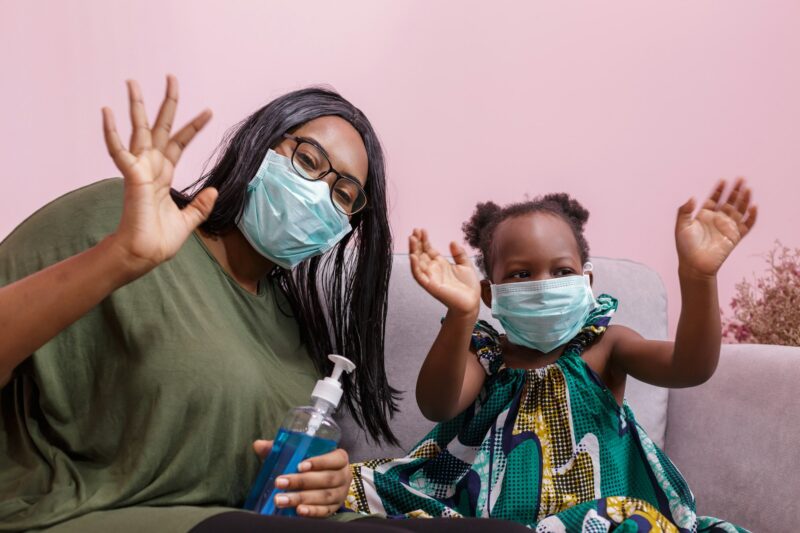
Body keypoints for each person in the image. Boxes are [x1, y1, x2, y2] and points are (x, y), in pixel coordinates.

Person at [0, 76, 401, 531]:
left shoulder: (292, 326)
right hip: (72, 512)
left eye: (343, 195)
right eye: (308, 160)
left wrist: (325, 485)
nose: (319, 194)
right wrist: (119, 258)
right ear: (260, 144)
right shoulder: (118, 218)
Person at [346, 184, 756, 531]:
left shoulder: (606, 346)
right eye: (521, 274)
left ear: (586, 281)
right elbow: (437, 403)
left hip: (599, 517)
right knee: (350, 487)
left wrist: (698, 278)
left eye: (561, 272)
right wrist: (460, 315)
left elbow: (690, 367)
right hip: (490, 516)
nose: (543, 286)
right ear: (491, 293)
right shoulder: (486, 354)